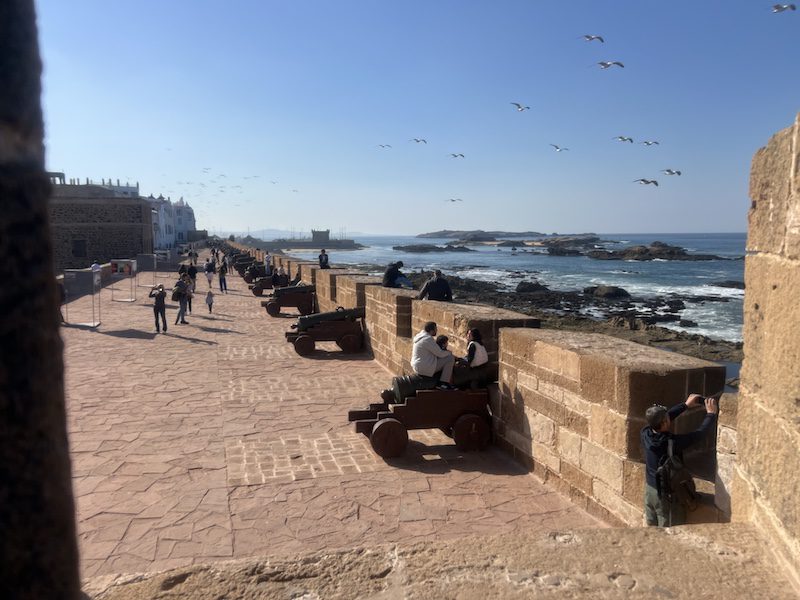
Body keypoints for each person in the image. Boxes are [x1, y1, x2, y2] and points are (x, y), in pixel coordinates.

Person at [641, 394, 718, 527]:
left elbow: (665, 419)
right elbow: (699, 434)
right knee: (668, 531)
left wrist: (685, 405)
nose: (669, 418)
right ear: (664, 423)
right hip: (666, 496)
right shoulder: (671, 442)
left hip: (650, 490)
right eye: (667, 418)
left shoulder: (645, 433)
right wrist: (711, 414)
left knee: (651, 527)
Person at [411, 321, 455, 390]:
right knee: (450, 358)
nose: (436, 331)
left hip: (418, 366)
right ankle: (443, 383)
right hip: (424, 367)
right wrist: (449, 353)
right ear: (431, 330)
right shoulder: (427, 339)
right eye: (436, 329)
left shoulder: (419, 336)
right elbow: (440, 354)